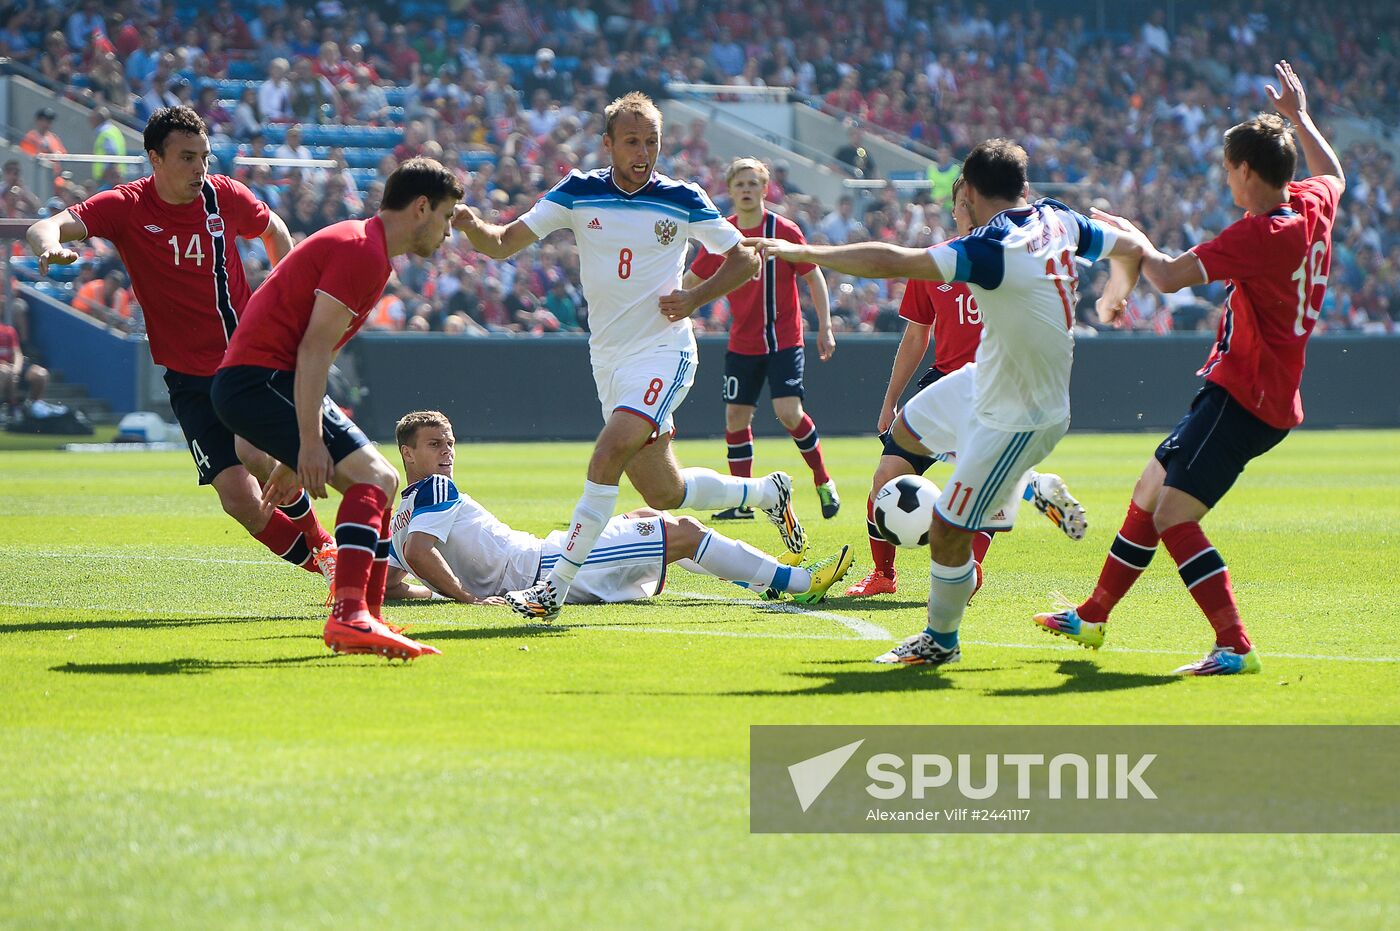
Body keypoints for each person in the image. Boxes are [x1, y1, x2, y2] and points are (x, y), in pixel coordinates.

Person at [747, 137, 1140, 668]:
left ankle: (941, 638)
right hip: (982, 379)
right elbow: (1130, 247)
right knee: (904, 437)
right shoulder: (1057, 218)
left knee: (951, 528)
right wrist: (1119, 289)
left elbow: (891, 259)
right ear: (1023, 187)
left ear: (972, 194)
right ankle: (1015, 497)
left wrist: (807, 252)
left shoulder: (989, 248)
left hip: (1021, 409)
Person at [1033, 61, 1344, 676]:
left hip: (1247, 398)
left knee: (1174, 514)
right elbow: (1332, 172)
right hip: (1244, 390)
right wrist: (1300, 118)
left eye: (1229, 167)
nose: (1226, 177)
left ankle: (1235, 645)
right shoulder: (1311, 205)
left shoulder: (1260, 235)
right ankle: (1094, 615)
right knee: (1149, 492)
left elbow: (1169, 276)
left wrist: (1132, 239)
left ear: (1247, 171)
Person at [453, 92, 802, 623]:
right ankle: (767, 492)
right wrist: (468, 222)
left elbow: (745, 259)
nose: (643, 152)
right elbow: (502, 242)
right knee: (664, 492)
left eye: (652, 142)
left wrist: (694, 298)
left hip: (665, 351)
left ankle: (554, 587)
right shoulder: (578, 191)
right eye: (633, 141)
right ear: (608, 144)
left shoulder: (683, 198)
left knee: (606, 453)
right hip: (609, 361)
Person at [25, 106, 337, 591]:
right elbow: (44, 226)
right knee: (239, 501)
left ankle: (326, 546)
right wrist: (47, 246)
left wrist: (287, 297)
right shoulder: (126, 206)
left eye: (205, 157)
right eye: (188, 158)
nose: (200, 169)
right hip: (186, 377)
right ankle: (326, 567)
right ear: (155, 159)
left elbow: (274, 230)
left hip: (242, 359)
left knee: (254, 454)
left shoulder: (224, 196)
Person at [211, 157, 464, 661]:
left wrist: (289, 457)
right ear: (420, 208)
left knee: (383, 480)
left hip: (262, 381)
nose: (448, 231)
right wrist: (305, 443)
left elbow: (313, 347)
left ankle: (365, 616)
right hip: (260, 381)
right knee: (373, 478)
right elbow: (311, 350)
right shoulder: (362, 250)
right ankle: (350, 617)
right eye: (447, 217)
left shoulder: (366, 246)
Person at [845, 177, 1088, 598]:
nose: (964, 212)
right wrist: (890, 400)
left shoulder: (1014, 255)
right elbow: (916, 336)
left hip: (998, 387)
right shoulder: (935, 263)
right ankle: (883, 575)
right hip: (944, 385)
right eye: (959, 204)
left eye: (968, 203)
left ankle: (972, 565)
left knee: (981, 490)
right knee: (886, 476)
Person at [384, 410, 854, 609]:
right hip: (542, 569)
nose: (446, 452)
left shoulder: (398, 517)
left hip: (538, 559)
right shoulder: (437, 489)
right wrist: (468, 600)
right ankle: (799, 584)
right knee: (683, 531)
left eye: (449, 443)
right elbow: (424, 552)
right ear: (407, 455)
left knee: (645, 519)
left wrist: (438, 594)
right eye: (432, 445)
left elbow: (391, 583)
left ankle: (760, 581)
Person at [683, 157, 840, 521]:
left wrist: (826, 326)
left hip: (784, 338)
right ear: (730, 191)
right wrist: (674, 306)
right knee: (736, 418)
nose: (747, 190)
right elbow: (692, 279)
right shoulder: (725, 235)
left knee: (788, 413)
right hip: (743, 342)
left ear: (765, 189)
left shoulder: (784, 230)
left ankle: (822, 479)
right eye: (740, 184)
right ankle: (742, 502)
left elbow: (813, 276)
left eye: (753, 183)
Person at [0, 319, 47, 415]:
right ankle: (13, 409)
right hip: (3, 370)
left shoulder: (8, 330)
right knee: (4, 372)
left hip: (11, 368)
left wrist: (16, 369)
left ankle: (32, 409)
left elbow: (17, 354)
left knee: (41, 374)